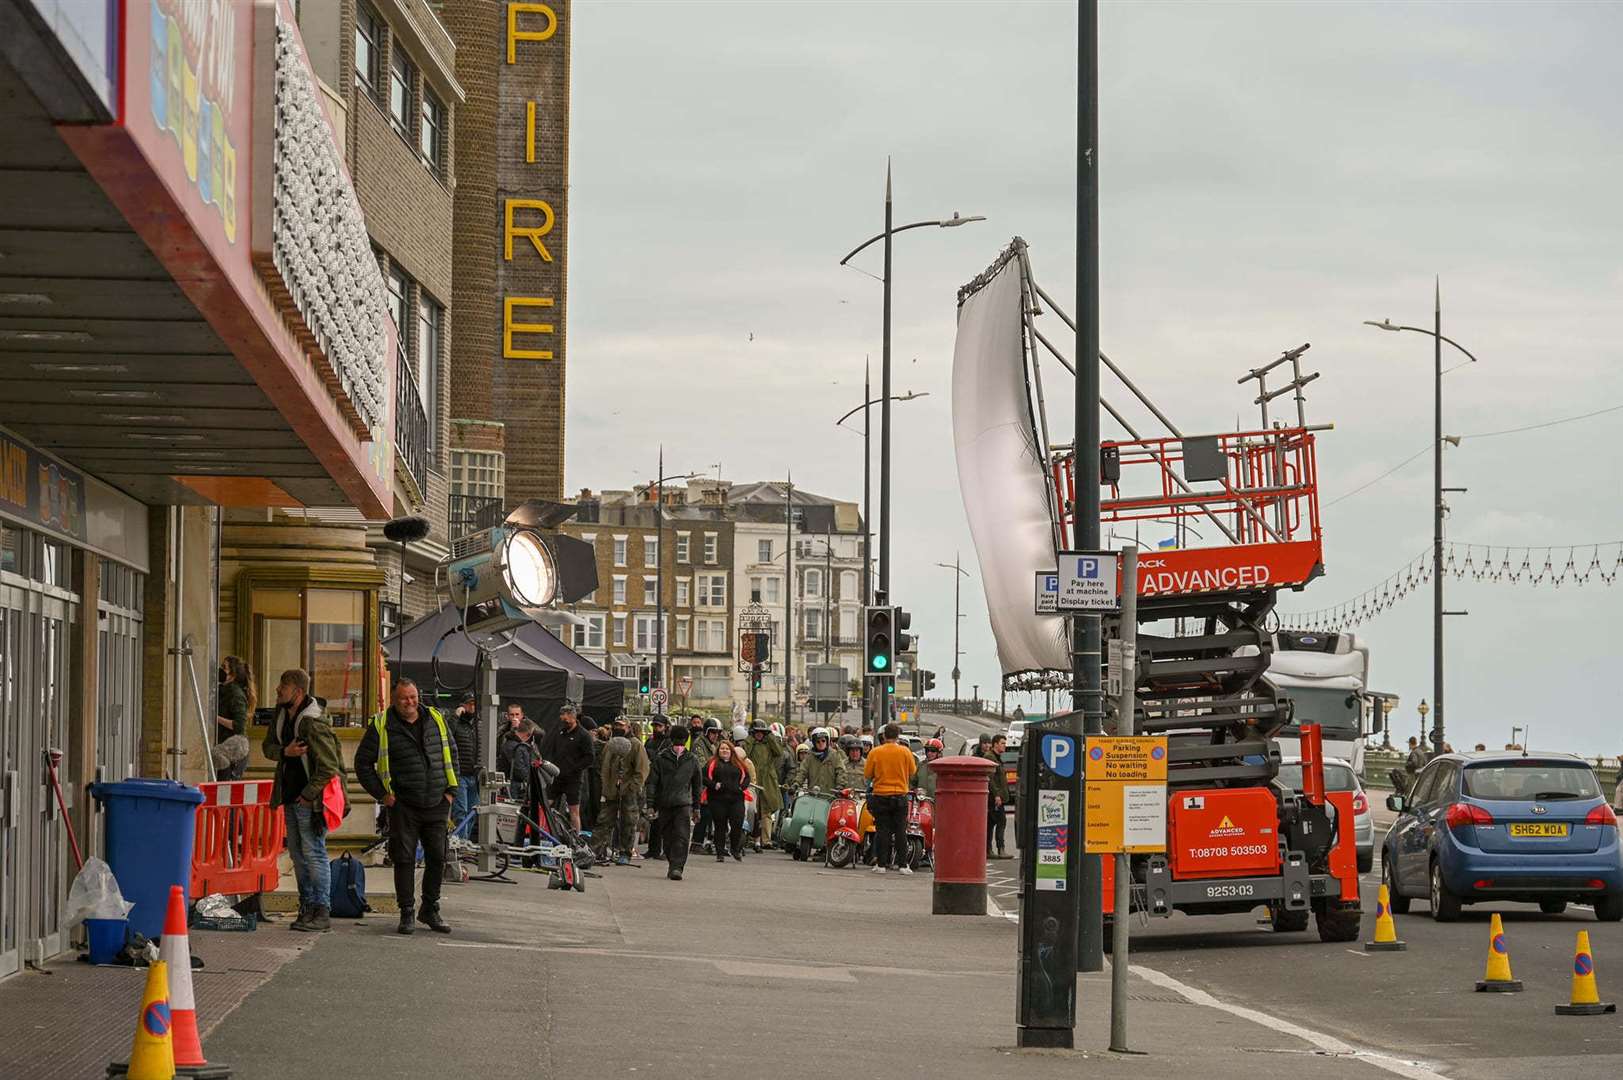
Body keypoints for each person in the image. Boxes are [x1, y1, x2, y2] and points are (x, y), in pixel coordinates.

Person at [355, 679, 460, 935]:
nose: (410, 702)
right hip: (403, 804)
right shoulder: (382, 725)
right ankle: (407, 912)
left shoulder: (435, 718)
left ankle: (430, 908)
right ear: (394, 699)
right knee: (404, 859)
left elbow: (452, 753)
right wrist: (383, 795)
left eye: (413, 697)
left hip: (436, 800)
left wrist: (450, 792)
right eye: (404, 698)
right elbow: (362, 764)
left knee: (438, 856)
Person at [262, 668, 343, 932]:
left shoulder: (312, 722)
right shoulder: (282, 715)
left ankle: (321, 909)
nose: (277, 690)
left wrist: (308, 796)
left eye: (282, 687)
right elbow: (268, 748)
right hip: (289, 795)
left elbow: (330, 766)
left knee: (314, 852)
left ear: (297, 692)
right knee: (298, 854)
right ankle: (307, 906)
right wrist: (285, 751)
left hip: (309, 800)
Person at [645, 723, 701, 881]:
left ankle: (677, 867)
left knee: (682, 836)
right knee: (668, 837)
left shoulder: (692, 760)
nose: (679, 745)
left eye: (682, 741)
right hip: (665, 803)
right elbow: (652, 783)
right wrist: (650, 805)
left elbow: (697, 785)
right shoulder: (661, 758)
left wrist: (696, 808)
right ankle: (672, 862)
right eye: (676, 741)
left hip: (683, 804)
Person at [863, 723, 917, 874]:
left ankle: (881, 864)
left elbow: (867, 774)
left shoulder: (876, 752)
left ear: (884, 736)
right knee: (901, 831)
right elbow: (913, 771)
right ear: (898, 736)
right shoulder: (905, 752)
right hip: (900, 795)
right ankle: (903, 865)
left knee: (882, 831)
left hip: (881, 795)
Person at [600, 717, 650, 865]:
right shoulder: (611, 745)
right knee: (604, 821)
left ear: (628, 727)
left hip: (629, 792)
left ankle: (625, 852)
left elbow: (642, 770)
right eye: (615, 725)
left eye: (621, 725)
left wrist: (631, 788)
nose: (617, 728)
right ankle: (597, 850)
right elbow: (604, 766)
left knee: (628, 822)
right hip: (611, 791)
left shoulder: (636, 745)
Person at [541, 703, 594, 834]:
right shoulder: (560, 732)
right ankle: (540, 832)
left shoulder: (583, 735)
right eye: (562, 717)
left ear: (574, 717)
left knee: (574, 811)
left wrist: (574, 768)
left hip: (573, 779)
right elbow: (552, 749)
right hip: (557, 777)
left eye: (567, 718)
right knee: (545, 805)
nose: (564, 721)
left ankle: (576, 838)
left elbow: (590, 758)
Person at [745, 720, 788, 851]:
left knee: (767, 810)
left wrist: (770, 736)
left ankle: (766, 840)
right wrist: (751, 739)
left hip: (768, 780)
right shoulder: (749, 743)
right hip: (753, 779)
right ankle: (750, 837)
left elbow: (779, 752)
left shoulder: (769, 744)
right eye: (756, 732)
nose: (759, 734)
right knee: (752, 810)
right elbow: (745, 753)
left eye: (762, 732)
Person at [705, 739, 749, 862]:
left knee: (737, 824)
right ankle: (720, 852)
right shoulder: (712, 763)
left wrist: (742, 787)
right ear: (718, 751)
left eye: (727, 749)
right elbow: (704, 778)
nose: (724, 751)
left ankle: (735, 849)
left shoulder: (739, 764)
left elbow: (747, 778)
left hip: (736, 799)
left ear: (731, 751)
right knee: (720, 826)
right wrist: (714, 785)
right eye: (722, 749)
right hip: (717, 799)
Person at [214, 655, 255, 781]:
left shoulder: (235, 694)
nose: (220, 670)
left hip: (232, 752)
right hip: (225, 749)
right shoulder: (223, 690)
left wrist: (215, 718)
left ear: (232, 674)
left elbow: (239, 725)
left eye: (224, 667)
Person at [448, 693, 481, 840]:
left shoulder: (478, 724)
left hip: (475, 775)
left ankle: (465, 842)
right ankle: (460, 844)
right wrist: (455, 717)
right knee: (461, 812)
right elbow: (447, 736)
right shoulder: (455, 723)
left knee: (473, 812)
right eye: (469, 704)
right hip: (460, 774)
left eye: (474, 704)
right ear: (463, 705)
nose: (472, 707)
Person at [984, 734, 1009, 858]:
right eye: (1003, 743)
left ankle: (988, 850)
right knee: (1001, 821)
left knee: (991, 823)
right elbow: (990, 779)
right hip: (994, 798)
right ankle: (1000, 849)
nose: (1005, 745)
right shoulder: (990, 757)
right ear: (995, 744)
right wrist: (997, 795)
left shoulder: (997, 758)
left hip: (996, 797)